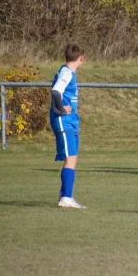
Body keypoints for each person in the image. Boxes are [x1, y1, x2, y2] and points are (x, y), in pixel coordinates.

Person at [50, 43, 86, 209]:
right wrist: (60, 109)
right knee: (70, 158)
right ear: (81, 58)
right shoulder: (67, 73)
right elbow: (56, 91)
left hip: (70, 121)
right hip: (64, 121)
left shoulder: (67, 72)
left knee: (72, 158)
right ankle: (66, 197)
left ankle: (65, 194)